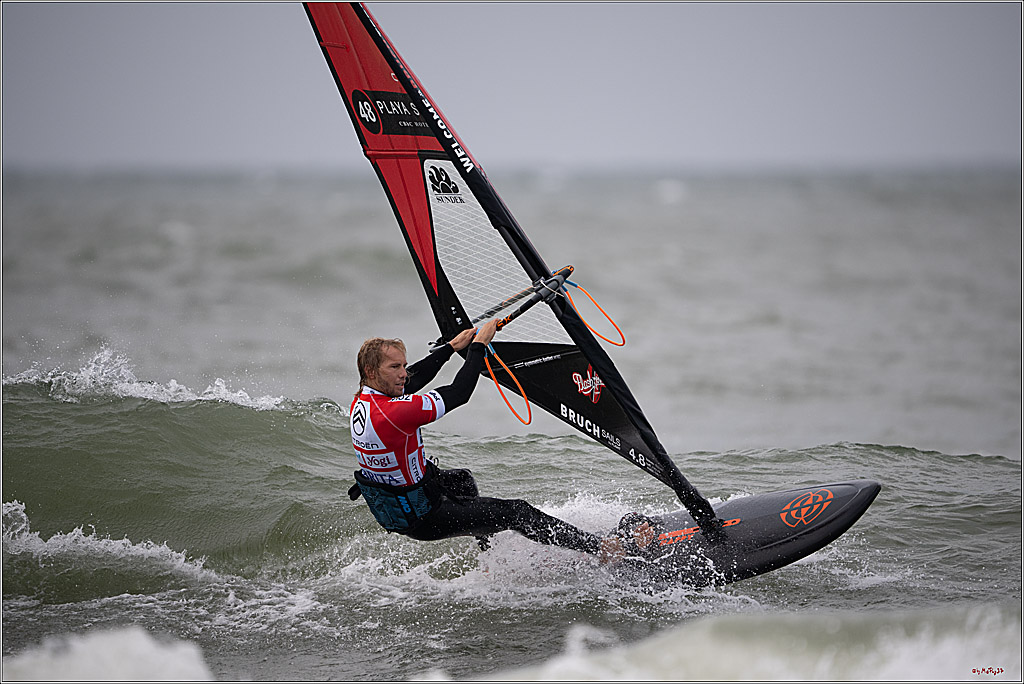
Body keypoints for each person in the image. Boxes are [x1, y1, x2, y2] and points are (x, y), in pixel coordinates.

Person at [347, 320, 604, 556]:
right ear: (371, 371)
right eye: (395, 367)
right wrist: (479, 346)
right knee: (516, 511)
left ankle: (489, 556)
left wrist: (449, 348)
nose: (404, 373)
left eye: (403, 365)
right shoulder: (394, 413)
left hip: (405, 505)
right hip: (424, 517)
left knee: (462, 481)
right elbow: (459, 393)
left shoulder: (365, 400)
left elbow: (413, 379)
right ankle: (602, 549)